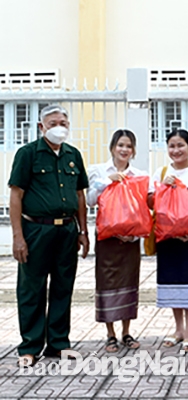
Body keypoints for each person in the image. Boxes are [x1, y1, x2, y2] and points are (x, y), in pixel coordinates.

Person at [9, 105, 89, 367]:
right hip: (35, 230)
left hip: (66, 230)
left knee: (63, 287)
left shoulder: (72, 155)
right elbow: (16, 195)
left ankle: (58, 344)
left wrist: (83, 231)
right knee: (32, 288)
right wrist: (18, 237)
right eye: (53, 123)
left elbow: (80, 196)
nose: (59, 127)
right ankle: (30, 346)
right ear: (41, 127)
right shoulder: (28, 154)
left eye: (64, 123)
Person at [148, 128, 188, 353]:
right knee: (172, 283)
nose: (176, 150)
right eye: (172, 146)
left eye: (180, 145)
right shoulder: (161, 172)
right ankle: (177, 329)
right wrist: (162, 187)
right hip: (167, 237)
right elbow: (151, 203)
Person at [86, 129, 147, 352]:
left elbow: (142, 208)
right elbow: (90, 201)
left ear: (133, 150)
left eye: (129, 146)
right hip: (107, 238)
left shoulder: (139, 175)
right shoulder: (98, 171)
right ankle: (110, 334)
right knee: (107, 282)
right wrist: (106, 182)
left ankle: (126, 332)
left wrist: (134, 232)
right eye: (120, 145)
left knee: (129, 281)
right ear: (112, 147)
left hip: (130, 239)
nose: (124, 150)